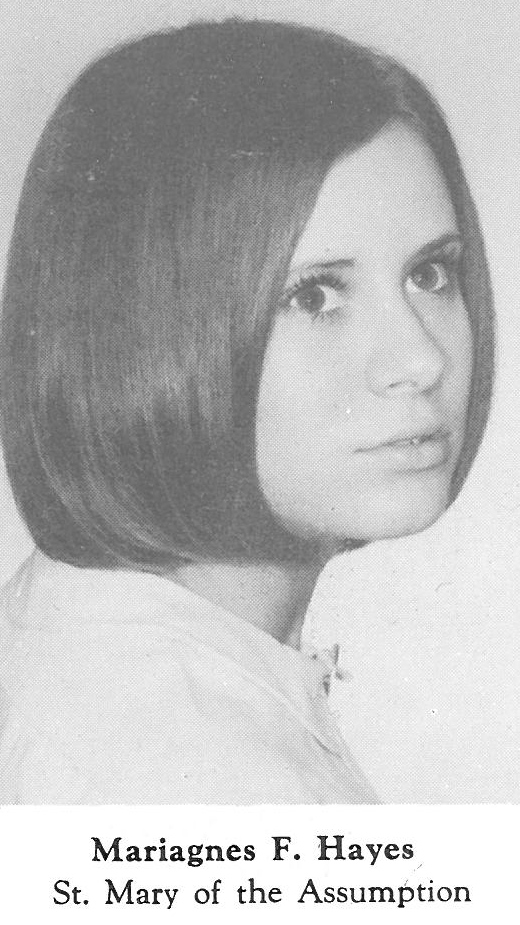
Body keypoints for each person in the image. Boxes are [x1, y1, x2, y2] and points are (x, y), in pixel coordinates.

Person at [0, 18, 493, 803]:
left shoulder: (84, 629)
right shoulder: (188, 773)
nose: (421, 359)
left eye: (430, 273)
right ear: (147, 328)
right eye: (316, 295)